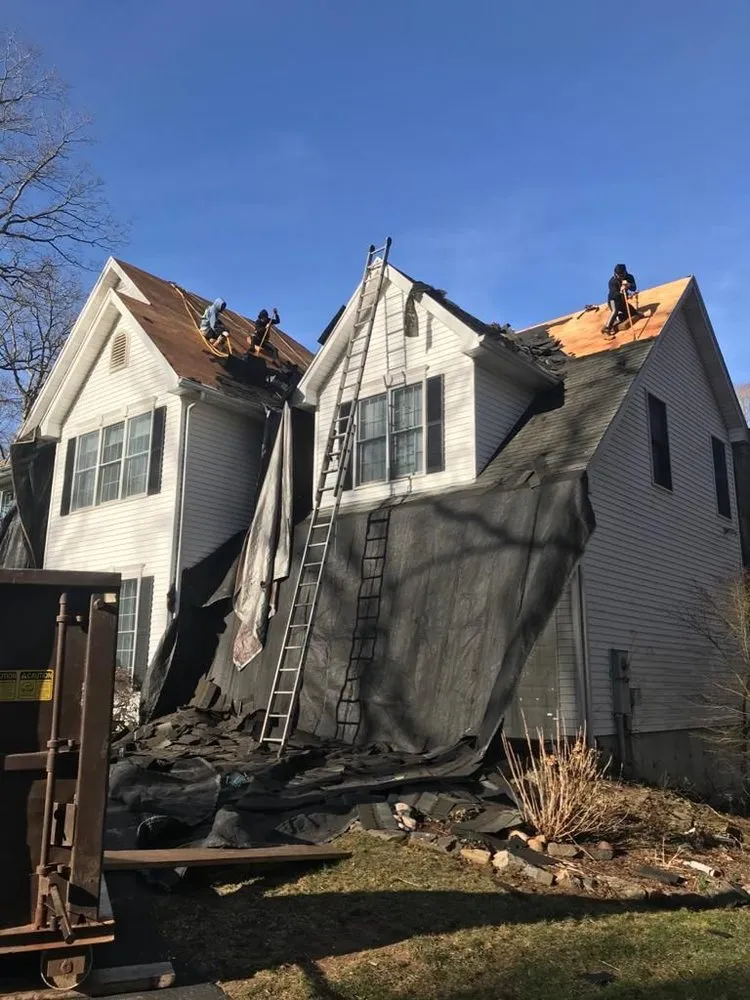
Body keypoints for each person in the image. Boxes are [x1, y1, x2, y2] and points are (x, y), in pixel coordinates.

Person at [603, 265, 640, 335]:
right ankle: (607, 328)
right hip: (614, 301)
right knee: (615, 311)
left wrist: (629, 285)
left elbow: (634, 288)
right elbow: (614, 294)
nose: (621, 277)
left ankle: (619, 318)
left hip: (622, 301)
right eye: (619, 276)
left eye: (622, 275)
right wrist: (621, 291)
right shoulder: (612, 281)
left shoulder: (629, 277)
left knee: (633, 313)